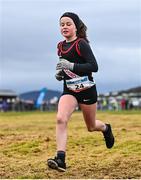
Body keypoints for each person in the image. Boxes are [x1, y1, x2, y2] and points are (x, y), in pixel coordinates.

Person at [47, 12, 115, 172]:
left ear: (76, 27)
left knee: (91, 126)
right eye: (62, 24)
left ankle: (106, 129)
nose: (64, 27)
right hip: (69, 90)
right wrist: (60, 74)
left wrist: (70, 66)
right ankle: (61, 159)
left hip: (87, 91)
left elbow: (93, 66)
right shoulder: (60, 46)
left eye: (68, 24)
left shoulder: (81, 44)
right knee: (60, 118)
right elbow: (65, 68)